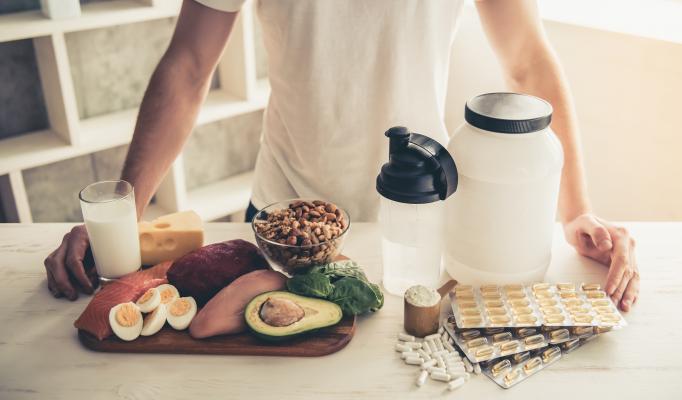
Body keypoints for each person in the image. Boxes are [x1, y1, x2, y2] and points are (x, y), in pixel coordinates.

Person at [43, 0, 639, 310]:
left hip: (424, 222)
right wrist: (121, 212)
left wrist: (577, 211)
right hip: (283, 222)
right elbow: (189, 66)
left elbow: (529, 63)